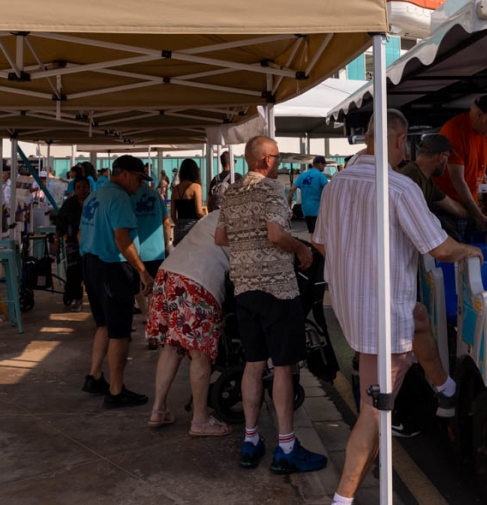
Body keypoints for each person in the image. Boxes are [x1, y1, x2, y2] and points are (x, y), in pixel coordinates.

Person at [314, 111, 484, 505]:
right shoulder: (398, 187)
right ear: (400, 140)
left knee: (419, 317)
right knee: (373, 415)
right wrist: (469, 250)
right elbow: (439, 248)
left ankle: (446, 390)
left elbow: (321, 243)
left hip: (353, 309)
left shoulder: (335, 184)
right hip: (382, 317)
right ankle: (343, 499)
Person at [214, 136, 324, 474]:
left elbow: (220, 237)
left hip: (243, 289)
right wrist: (302, 249)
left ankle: (251, 441)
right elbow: (277, 234)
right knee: (283, 367)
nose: (280, 164)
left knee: (253, 364)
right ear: (266, 161)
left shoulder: (230, 192)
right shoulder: (273, 190)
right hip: (278, 291)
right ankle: (287, 447)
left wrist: (248, 241)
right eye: (277, 157)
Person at [147, 210, 233, 437]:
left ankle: (158, 410)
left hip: (168, 275)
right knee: (200, 354)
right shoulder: (245, 216)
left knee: (171, 346)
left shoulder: (217, 213)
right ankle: (200, 420)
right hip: (196, 282)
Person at [79, 155, 154, 408]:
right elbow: (122, 239)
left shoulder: (95, 195)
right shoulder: (119, 197)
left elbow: (81, 234)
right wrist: (142, 271)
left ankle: (95, 376)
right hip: (112, 266)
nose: (140, 185)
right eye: (139, 178)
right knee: (120, 332)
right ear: (125, 174)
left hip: (91, 263)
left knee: (103, 325)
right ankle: (115, 390)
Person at [434, 95, 487, 230]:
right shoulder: (455, 130)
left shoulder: (481, 133)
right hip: (450, 208)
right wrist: (478, 216)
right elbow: (458, 180)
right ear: (479, 114)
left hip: (467, 207)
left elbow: (478, 169)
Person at [132, 176, 171, 319]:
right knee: (155, 287)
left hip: (134, 250)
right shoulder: (155, 195)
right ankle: (154, 316)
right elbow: (166, 222)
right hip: (156, 249)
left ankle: (145, 313)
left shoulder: (129, 197)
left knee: (137, 286)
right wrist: (166, 244)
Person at [56, 174, 91, 310]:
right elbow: (60, 223)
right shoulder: (69, 204)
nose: (82, 190)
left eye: (84, 187)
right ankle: (77, 299)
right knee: (74, 272)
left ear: (89, 188)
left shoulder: (94, 202)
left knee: (90, 272)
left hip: (91, 243)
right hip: (73, 244)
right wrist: (57, 240)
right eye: (78, 187)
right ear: (74, 189)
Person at [289, 156, 330, 234]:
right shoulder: (320, 176)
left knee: (312, 233)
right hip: (319, 210)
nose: (324, 167)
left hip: (306, 210)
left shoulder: (303, 175)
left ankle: (313, 246)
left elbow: (291, 189)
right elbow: (329, 190)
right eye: (324, 165)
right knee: (321, 235)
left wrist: (288, 204)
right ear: (319, 164)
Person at [170, 159, 206, 245]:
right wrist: (207, 217)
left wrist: (179, 223)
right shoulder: (196, 187)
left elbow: (172, 215)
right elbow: (199, 212)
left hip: (179, 230)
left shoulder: (176, 189)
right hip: (194, 228)